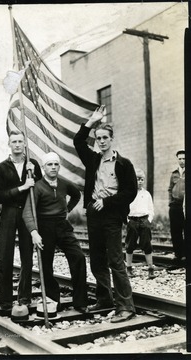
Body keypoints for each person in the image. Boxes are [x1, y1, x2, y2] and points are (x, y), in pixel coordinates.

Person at [73, 106, 137, 323]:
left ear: (111, 139)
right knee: (97, 260)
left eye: (104, 138)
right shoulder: (93, 160)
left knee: (116, 261)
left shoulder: (123, 164)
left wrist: (106, 202)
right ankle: (105, 299)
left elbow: (130, 192)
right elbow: (78, 142)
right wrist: (92, 121)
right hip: (94, 215)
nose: (101, 141)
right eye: (98, 138)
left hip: (111, 216)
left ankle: (126, 306)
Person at [22, 152, 88, 313]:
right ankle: (52, 301)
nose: (53, 167)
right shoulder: (37, 187)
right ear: (43, 168)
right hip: (44, 227)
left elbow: (76, 195)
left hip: (62, 225)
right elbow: (27, 212)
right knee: (46, 265)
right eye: (49, 165)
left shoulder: (64, 183)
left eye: (55, 164)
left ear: (59, 166)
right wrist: (34, 232)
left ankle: (80, 302)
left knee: (78, 257)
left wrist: (68, 210)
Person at [0, 130, 42, 315]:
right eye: (14, 141)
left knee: (27, 257)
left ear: (24, 144)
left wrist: (34, 176)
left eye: (20, 141)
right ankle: (5, 301)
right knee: (4, 256)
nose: (17, 144)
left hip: (28, 213)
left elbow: (38, 188)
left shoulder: (33, 165)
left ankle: (24, 298)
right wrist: (22, 187)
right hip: (9, 212)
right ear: (9, 144)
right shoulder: (1, 167)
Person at [125, 168, 156, 279]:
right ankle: (128, 268)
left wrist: (149, 220)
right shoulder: (128, 193)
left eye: (142, 179)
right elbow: (124, 208)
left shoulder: (146, 194)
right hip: (132, 220)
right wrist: (128, 221)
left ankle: (150, 268)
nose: (140, 181)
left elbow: (151, 209)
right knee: (130, 244)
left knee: (147, 244)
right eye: (137, 179)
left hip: (144, 220)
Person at [168, 150, 185, 266]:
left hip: (186, 205)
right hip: (175, 205)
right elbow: (170, 189)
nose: (182, 161)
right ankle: (178, 254)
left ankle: (186, 254)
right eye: (180, 159)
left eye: (184, 158)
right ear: (177, 159)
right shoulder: (174, 173)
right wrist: (170, 202)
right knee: (175, 231)